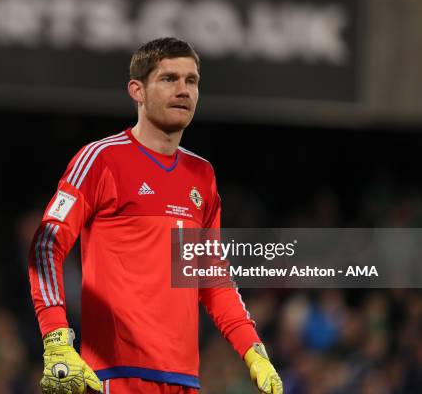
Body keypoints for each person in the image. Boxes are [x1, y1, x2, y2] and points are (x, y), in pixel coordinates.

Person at [28, 37, 283, 394]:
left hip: (183, 381)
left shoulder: (202, 175)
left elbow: (211, 277)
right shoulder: (101, 159)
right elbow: (46, 247)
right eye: (169, 79)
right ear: (137, 90)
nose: (183, 90)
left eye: (191, 81)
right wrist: (56, 337)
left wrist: (253, 349)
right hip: (113, 376)